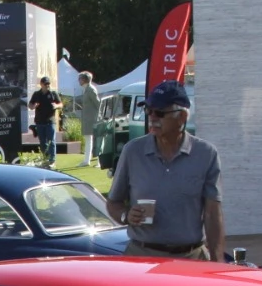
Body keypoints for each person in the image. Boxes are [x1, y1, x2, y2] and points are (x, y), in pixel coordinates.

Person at [105, 80, 224, 261]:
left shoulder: (205, 154)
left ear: (182, 117)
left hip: (191, 258)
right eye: (148, 110)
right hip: (142, 258)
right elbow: (113, 203)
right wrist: (126, 215)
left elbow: (212, 213)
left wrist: (217, 260)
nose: (152, 117)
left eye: (160, 113)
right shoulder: (133, 151)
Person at [29, 75, 62, 167]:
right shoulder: (37, 94)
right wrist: (33, 106)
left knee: (51, 141)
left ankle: (52, 160)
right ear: (41, 84)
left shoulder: (53, 93)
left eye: (48, 84)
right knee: (43, 142)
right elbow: (30, 105)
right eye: (45, 83)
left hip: (50, 121)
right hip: (39, 122)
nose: (47, 85)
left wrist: (56, 106)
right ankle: (45, 159)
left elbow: (61, 104)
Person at [75, 71, 101, 167]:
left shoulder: (90, 89)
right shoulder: (86, 89)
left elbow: (98, 104)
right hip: (88, 119)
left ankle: (99, 161)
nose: (79, 81)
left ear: (85, 79)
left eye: (80, 79)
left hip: (93, 119)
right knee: (88, 139)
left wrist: (98, 117)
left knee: (96, 140)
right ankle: (87, 160)